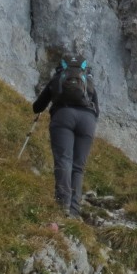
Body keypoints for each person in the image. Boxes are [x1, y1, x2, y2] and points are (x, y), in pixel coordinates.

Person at [32, 52, 99, 218]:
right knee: (78, 167)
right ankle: (74, 211)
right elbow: (97, 109)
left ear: (62, 67)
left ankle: (63, 205)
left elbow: (37, 106)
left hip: (63, 116)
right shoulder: (88, 80)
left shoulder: (57, 78)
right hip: (87, 120)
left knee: (64, 160)